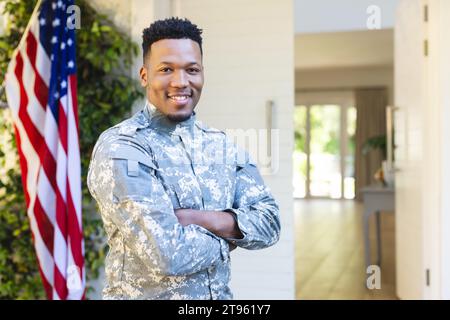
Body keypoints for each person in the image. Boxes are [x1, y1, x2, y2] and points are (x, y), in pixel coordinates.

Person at [87, 17, 280, 300]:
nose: (181, 82)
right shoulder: (123, 147)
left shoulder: (221, 144)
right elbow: (168, 255)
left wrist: (201, 219)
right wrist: (232, 235)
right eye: (166, 69)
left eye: (192, 70)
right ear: (144, 75)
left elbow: (270, 223)